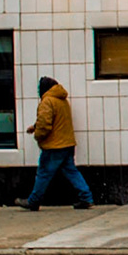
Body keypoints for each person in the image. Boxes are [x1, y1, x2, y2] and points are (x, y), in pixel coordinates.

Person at [15, 77, 94, 210]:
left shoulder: (47, 101)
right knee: (71, 171)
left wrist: (37, 136)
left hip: (54, 146)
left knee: (44, 173)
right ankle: (86, 197)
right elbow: (56, 119)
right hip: (67, 143)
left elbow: (45, 124)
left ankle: (33, 201)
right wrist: (35, 126)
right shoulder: (62, 100)